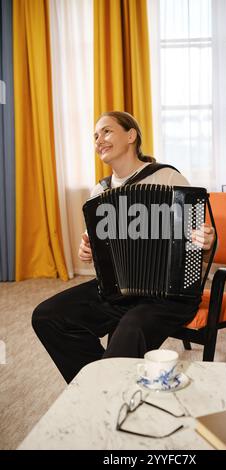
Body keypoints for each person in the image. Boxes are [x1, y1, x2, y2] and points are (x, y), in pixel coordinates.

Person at [32, 111, 215, 384]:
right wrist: (89, 251)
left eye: (106, 131)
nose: (99, 140)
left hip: (170, 295)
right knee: (47, 316)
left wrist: (205, 241)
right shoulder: (99, 192)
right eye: (95, 136)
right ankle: (98, 385)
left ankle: (106, 390)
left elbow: (198, 240)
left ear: (131, 136)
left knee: (129, 329)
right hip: (117, 291)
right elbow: (99, 251)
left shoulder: (166, 178)